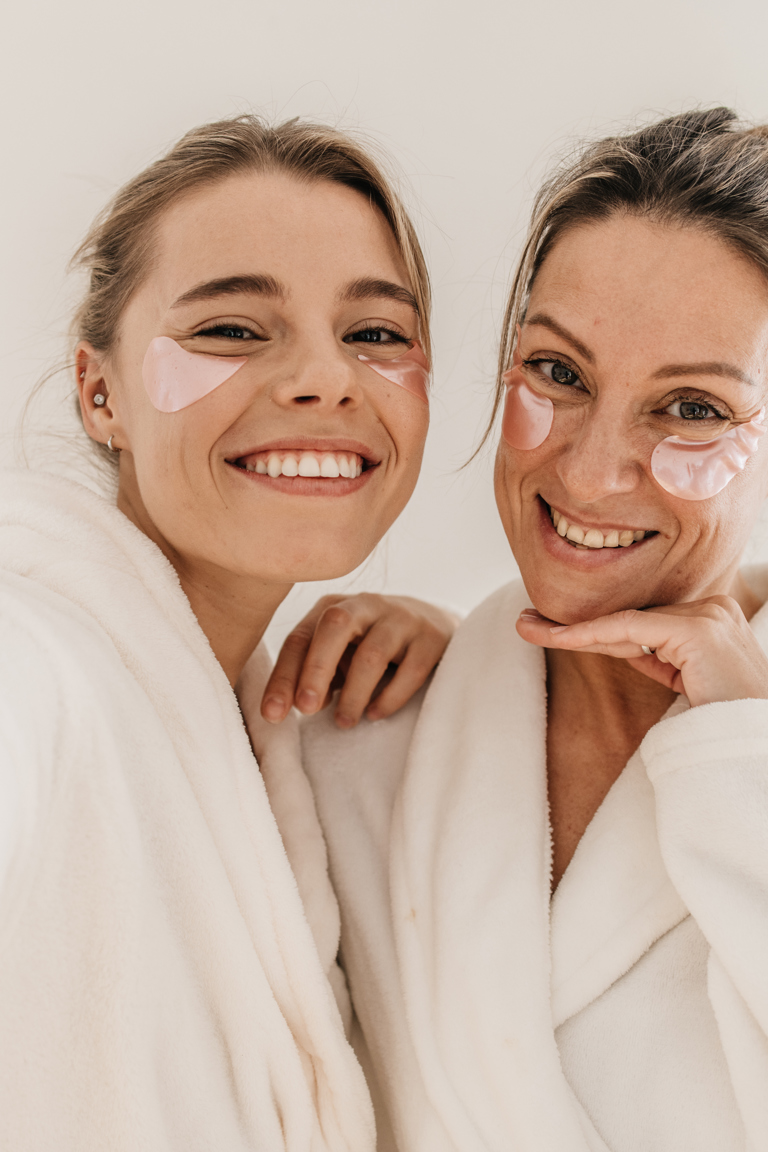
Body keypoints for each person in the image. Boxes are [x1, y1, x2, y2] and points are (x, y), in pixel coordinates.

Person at [303, 107, 768, 1151]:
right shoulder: (361, 734)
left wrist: (745, 742)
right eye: (557, 373)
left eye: (691, 408)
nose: (593, 471)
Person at [0, 113, 456, 1151]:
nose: (325, 378)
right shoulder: (30, 659)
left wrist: (471, 664)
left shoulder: (287, 732)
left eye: (376, 334)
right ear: (99, 390)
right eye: (232, 329)